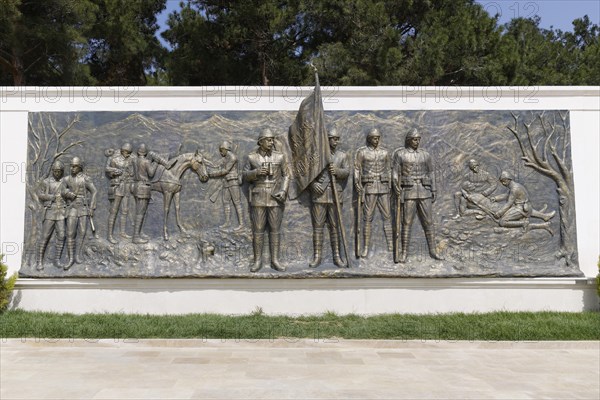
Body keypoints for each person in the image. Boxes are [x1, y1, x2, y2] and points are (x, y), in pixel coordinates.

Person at [243, 128, 291, 272]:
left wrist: (283, 190)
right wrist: (256, 173)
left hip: (275, 197)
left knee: (275, 230)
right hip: (258, 197)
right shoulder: (252, 157)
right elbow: (244, 175)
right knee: (258, 230)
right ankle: (258, 261)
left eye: (272, 140)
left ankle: (275, 260)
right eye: (269, 140)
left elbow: (286, 175)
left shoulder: (280, 157)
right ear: (261, 141)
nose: (271, 142)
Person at [392, 129, 444, 263]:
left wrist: (434, 189)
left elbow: (431, 172)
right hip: (409, 191)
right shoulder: (400, 154)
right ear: (409, 140)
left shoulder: (425, 155)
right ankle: (404, 253)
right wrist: (395, 184)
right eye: (415, 139)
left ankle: (433, 250)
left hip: (424, 191)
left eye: (418, 139)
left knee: (428, 222)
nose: (417, 142)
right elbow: (395, 172)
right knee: (407, 222)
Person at [308, 128, 349, 268]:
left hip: (335, 195)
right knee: (318, 227)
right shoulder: (317, 155)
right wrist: (313, 184)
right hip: (319, 195)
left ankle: (337, 256)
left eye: (337, 138)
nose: (336, 141)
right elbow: (308, 174)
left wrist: (337, 171)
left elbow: (346, 171)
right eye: (334, 138)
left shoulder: (342, 156)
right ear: (327, 139)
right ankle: (317, 256)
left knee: (334, 226)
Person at [354, 128, 393, 257]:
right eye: (374, 138)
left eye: (378, 138)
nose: (376, 140)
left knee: (387, 216)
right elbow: (357, 169)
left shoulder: (384, 153)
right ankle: (365, 247)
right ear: (369, 138)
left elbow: (389, 170)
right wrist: (357, 183)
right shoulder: (362, 152)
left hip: (383, 188)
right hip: (369, 187)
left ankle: (391, 245)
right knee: (368, 218)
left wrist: (391, 185)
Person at [62, 157, 97, 269]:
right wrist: (68, 193)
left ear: (80, 167)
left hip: (83, 207)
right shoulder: (66, 179)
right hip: (72, 207)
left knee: (82, 232)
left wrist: (91, 207)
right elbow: (62, 190)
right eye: (71, 166)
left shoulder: (86, 179)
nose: (72, 168)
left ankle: (78, 255)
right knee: (70, 233)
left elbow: (94, 191)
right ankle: (71, 258)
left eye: (75, 166)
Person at [35, 160, 67, 270]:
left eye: (59, 171)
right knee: (45, 237)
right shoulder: (46, 182)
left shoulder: (65, 182)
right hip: (50, 211)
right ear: (52, 171)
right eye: (55, 171)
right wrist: (50, 197)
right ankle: (39, 261)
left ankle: (57, 259)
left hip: (61, 212)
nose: (57, 173)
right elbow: (40, 194)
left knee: (62, 236)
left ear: (62, 172)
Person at [208, 140, 245, 230]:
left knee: (237, 202)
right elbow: (215, 164)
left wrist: (212, 174)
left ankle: (241, 224)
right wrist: (206, 163)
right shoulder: (225, 158)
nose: (220, 152)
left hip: (233, 182)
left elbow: (225, 171)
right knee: (225, 202)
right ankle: (228, 222)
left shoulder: (232, 158)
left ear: (225, 149)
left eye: (221, 150)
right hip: (226, 182)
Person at [105, 142, 134, 243]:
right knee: (114, 211)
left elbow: (132, 171)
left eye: (130, 152)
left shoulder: (130, 160)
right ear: (123, 151)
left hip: (126, 186)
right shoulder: (115, 160)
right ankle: (109, 235)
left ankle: (122, 232)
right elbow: (107, 170)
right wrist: (115, 171)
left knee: (125, 210)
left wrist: (131, 173)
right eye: (127, 152)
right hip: (118, 186)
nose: (129, 154)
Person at [131, 144, 158, 244]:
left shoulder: (134, 160)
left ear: (138, 152)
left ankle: (139, 232)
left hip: (136, 186)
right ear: (146, 153)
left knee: (140, 211)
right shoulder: (146, 161)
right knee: (140, 212)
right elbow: (151, 173)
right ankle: (136, 237)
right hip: (143, 188)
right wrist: (155, 163)